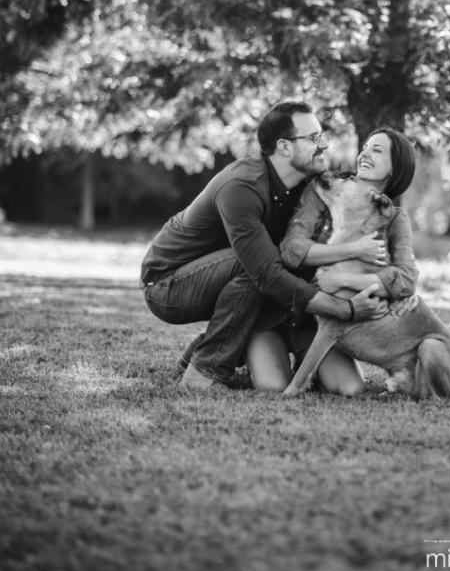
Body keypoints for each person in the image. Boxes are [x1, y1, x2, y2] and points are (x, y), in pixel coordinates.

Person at [139, 101, 389, 390]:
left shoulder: (307, 183)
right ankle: (204, 373)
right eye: (313, 138)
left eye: (322, 136)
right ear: (284, 147)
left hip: (231, 277)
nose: (325, 145)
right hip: (167, 285)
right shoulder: (242, 186)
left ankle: (204, 351)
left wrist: (393, 285)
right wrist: (344, 309)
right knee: (257, 268)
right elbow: (266, 274)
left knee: (276, 266)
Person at [244, 126, 420, 396]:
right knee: (272, 386)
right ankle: (239, 346)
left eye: (377, 150)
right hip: (281, 310)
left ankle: (307, 361)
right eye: (365, 148)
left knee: (351, 388)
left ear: (395, 169)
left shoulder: (394, 217)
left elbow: (405, 278)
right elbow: (291, 249)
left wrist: (389, 289)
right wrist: (353, 250)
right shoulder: (326, 189)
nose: (365, 154)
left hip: (324, 325)